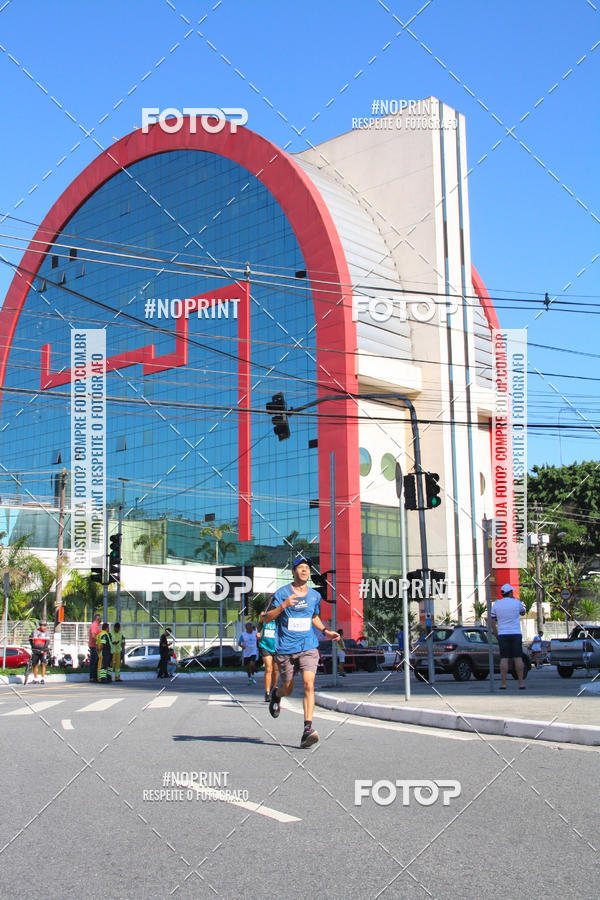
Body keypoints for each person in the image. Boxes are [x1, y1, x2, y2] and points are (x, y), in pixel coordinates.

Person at [263, 555, 340, 748]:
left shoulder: (315, 596)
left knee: (308, 684)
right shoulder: (281, 593)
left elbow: (313, 616)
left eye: (307, 567)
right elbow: (265, 618)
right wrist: (283, 606)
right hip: (286, 649)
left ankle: (307, 729)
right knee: (287, 688)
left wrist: (325, 631)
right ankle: (277, 694)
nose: (305, 570)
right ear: (293, 571)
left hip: (308, 646)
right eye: (301, 567)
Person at [491, 583, 526, 690]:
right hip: (516, 633)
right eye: (512, 592)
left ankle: (503, 683)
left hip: (502, 634)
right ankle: (520, 683)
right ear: (510, 593)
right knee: (518, 657)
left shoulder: (496, 605)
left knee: (504, 658)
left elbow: (492, 621)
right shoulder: (517, 602)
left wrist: (496, 633)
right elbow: (523, 612)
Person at [257, 611, 279, 701]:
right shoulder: (263, 614)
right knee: (268, 668)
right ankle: (267, 692)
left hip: (277, 646)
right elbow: (260, 624)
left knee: (275, 670)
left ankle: (273, 689)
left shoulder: (280, 615)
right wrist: (258, 632)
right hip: (265, 645)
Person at [88, 613, 102, 683]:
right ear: (97, 619)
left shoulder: (97, 626)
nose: (101, 620)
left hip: (95, 646)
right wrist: (97, 645)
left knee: (96, 662)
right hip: (94, 647)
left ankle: (94, 676)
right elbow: (93, 636)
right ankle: (92, 677)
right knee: (94, 662)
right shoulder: (94, 626)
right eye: (100, 618)